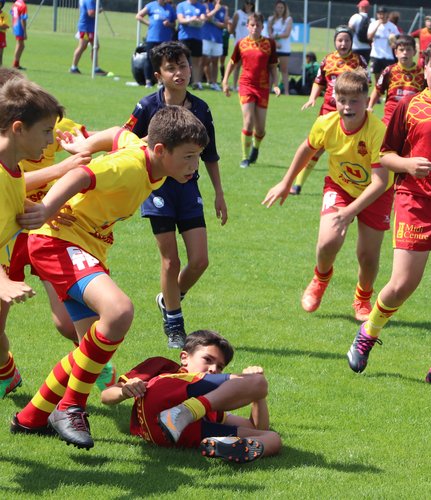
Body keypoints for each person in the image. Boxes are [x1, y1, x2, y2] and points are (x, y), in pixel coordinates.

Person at [10, 107, 208, 449]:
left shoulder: (149, 158)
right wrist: (46, 209)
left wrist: (85, 143)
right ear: (161, 150)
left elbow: (119, 133)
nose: (195, 165)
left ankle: (31, 417)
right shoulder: (129, 168)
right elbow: (81, 175)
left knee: (88, 351)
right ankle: (71, 407)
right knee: (119, 311)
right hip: (57, 242)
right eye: (188, 156)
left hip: (85, 248)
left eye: (198, 157)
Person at [345, 39, 431, 388]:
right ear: (425, 69)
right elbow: (385, 155)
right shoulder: (409, 106)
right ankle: (368, 333)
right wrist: (406, 164)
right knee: (404, 282)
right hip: (414, 203)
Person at [263, 72, 392, 322]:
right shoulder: (325, 123)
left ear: (366, 100)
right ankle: (320, 279)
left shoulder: (378, 131)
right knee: (327, 242)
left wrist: (350, 211)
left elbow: (380, 182)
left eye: (354, 101)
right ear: (334, 99)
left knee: (367, 255)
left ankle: (363, 298)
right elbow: (306, 149)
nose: (347, 107)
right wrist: (286, 182)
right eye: (342, 100)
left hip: (377, 194)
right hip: (340, 186)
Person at [123, 41, 227, 349]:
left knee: (200, 260)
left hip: (188, 188)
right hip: (157, 189)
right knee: (170, 261)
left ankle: (169, 299)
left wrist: (219, 194)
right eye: (171, 68)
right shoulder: (146, 107)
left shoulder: (201, 109)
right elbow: (123, 141)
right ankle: (175, 326)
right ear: (159, 75)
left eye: (183, 66)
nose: (179, 73)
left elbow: (210, 155)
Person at [100, 330, 281, 462]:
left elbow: (258, 427)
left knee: (273, 438)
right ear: (184, 357)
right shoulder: (164, 367)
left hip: (180, 435)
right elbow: (106, 396)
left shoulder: (215, 398)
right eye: (208, 360)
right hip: (162, 400)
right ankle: (185, 412)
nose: (213, 369)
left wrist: (259, 396)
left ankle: (224, 446)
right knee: (257, 382)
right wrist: (124, 391)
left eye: (220, 367)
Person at [0, 77, 64, 400]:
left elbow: (11, 196)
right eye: (46, 131)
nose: (50, 141)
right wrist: (2, 282)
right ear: (18, 129)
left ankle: (6, 372)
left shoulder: (12, 166)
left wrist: (34, 210)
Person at [294, 26, 366, 193]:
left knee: (350, 148)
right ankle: (297, 185)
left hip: (350, 111)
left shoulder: (359, 60)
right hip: (329, 109)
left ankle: (353, 185)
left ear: (351, 42)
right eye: (340, 40)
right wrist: (312, 98)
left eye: (347, 40)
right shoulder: (327, 60)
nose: (343, 43)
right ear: (335, 41)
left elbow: (364, 85)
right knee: (317, 147)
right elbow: (319, 81)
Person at [222, 12, 281, 168]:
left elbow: (273, 68)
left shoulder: (269, 43)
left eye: (258, 25)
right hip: (246, 85)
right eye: (252, 25)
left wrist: (276, 84)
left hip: (263, 87)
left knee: (260, 129)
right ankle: (245, 157)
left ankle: (256, 147)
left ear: (262, 27)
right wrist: (225, 81)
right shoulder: (241, 43)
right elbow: (232, 63)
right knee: (248, 122)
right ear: (247, 26)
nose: (255, 28)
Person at [368, 34, 425, 125]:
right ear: (396, 53)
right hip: (390, 118)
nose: (405, 53)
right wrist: (370, 106)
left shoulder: (423, 73)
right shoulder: (389, 70)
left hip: (412, 119)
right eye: (401, 50)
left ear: (414, 52)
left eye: (408, 50)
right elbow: (378, 90)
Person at [135, 0, 177, 87]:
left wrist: (169, 24)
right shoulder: (151, 5)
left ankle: (161, 81)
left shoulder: (169, 8)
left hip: (165, 39)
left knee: (163, 60)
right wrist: (148, 23)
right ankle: (148, 81)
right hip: (152, 37)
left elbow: (174, 24)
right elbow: (138, 16)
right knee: (149, 59)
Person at [177, 0, 208, 90]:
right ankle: (181, 81)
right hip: (184, 37)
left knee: (196, 62)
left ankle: (196, 83)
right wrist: (191, 19)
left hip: (197, 37)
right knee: (182, 60)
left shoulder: (201, 6)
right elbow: (180, 19)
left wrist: (200, 19)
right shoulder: (181, 5)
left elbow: (203, 18)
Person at [70, 0, 106, 75]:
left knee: (96, 46)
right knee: (82, 46)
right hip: (85, 28)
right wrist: (99, 10)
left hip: (90, 28)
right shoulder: (90, 0)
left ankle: (96, 68)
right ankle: (73, 67)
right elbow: (91, 13)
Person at [226, 0, 255, 90]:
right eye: (247, 3)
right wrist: (228, 24)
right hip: (240, 44)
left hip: (251, 44)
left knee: (249, 67)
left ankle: (247, 85)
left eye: (250, 4)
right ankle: (235, 85)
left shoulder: (254, 15)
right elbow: (232, 30)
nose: (248, 5)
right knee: (237, 65)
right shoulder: (238, 13)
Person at [367, 6, 398, 85]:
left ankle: (388, 92)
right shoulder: (373, 24)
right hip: (376, 55)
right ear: (377, 15)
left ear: (387, 14)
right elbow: (369, 37)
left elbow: (397, 40)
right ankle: (378, 92)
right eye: (380, 14)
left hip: (388, 56)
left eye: (383, 14)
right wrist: (378, 25)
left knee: (389, 77)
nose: (382, 16)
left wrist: (394, 43)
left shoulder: (392, 26)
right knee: (377, 78)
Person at [266, 0, 292, 93]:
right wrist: (275, 42)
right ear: (275, 8)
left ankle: (286, 92)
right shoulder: (271, 19)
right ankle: (269, 91)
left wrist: (276, 36)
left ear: (285, 9)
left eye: (282, 7)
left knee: (284, 70)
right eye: (278, 7)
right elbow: (269, 33)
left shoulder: (288, 19)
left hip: (284, 49)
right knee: (271, 70)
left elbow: (286, 34)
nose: (280, 9)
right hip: (273, 48)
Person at [200, 0, 226, 91]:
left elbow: (224, 25)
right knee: (203, 61)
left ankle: (214, 83)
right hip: (206, 37)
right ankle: (198, 82)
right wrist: (215, 10)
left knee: (215, 62)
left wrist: (213, 21)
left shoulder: (223, 9)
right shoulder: (206, 5)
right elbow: (206, 17)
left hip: (218, 39)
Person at [10, 0, 25, 70]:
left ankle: (16, 64)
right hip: (19, 26)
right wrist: (24, 31)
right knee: (20, 45)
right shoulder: (23, 5)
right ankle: (15, 64)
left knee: (21, 45)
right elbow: (23, 19)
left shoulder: (16, 3)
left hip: (15, 24)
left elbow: (12, 13)